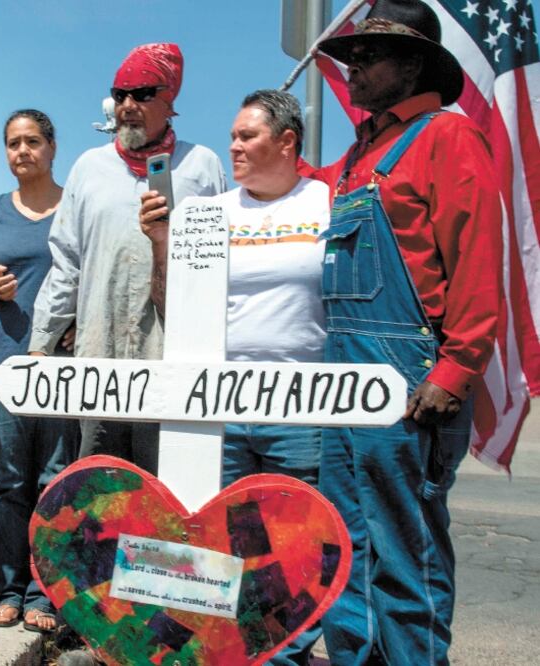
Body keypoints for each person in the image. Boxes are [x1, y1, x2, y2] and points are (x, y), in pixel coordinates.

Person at [303, 1, 502, 663]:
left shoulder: (449, 138)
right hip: (343, 377)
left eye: (369, 56)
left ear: (412, 64)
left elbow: (478, 262)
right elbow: (301, 192)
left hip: (409, 376)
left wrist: (455, 371)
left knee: (404, 546)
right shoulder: (360, 154)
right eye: (351, 56)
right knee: (345, 542)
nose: (353, 68)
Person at [139, 89, 329, 666]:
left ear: (288, 142)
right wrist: (162, 243)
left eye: (247, 136)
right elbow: (174, 308)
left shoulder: (327, 201)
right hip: (219, 411)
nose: (234, 146)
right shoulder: (211, 212)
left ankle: (282, 658)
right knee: (217, 551)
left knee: (292, 555)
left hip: (302, 412)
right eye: (233, 136)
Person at [29, 43, 226, 475]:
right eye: (120, 95)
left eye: (142, 93)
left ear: (170, 101)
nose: (128, 106)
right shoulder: (88, 168)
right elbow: (66, 262)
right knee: (99, 495)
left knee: (166, 491)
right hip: (100, 365)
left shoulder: (202, 166)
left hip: (172, 366)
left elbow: (216, 269)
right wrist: (41, 345)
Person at [0, 109, 79, 633]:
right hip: (1, 363)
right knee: (8, 482)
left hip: (61, 368)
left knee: (54, 481)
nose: (22, 152)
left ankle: (46, 597)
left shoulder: (75, 207)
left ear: (53, 147)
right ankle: (8, 590)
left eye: (32, 141)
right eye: (13, 143)